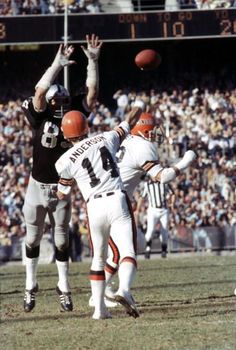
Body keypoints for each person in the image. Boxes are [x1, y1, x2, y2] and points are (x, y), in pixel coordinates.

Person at [21, 34, 103, 313]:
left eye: (67, 99)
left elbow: (91, 94)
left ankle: (64, 287)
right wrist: (57, 63)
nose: (65, 103)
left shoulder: (75, 112)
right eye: (62, 99)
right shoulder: (41, 114)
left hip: (62, 185)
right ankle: (30, 285)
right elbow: (39, 93)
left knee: (61, 239)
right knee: (32, 239)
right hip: (37, 185)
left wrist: (92, 62)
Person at [55, 107, 143, 319]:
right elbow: (129, 120)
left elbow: (61, 193)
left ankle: (99, 310)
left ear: (65, 133)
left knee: (98, 259)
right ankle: (124, 290)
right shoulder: (106, 138)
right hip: (117, 198)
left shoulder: (64, 160)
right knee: (127, 252)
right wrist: (139, 106)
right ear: (86, 126)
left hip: (93, 206)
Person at [104, 112, 196, 299]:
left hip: (102, 199)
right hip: (115, 202)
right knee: (122, 252)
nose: (155, 132)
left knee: (119, 251)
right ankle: (108, 293)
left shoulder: (121, 139)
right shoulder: (143, 146)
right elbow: (163, 177)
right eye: (152, 128)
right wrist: (185, 162)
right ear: (144, 128)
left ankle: (105, 292)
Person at [137, 176, 176, 259]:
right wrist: (138, 209)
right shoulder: (147, 185)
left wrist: (172, 203)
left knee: (164, 230)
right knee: (150, 230)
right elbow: (141, 197)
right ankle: (148, 249)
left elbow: (172, 193)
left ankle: (164, 250)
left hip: (164, 209)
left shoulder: (164, 183)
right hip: (152, 210)